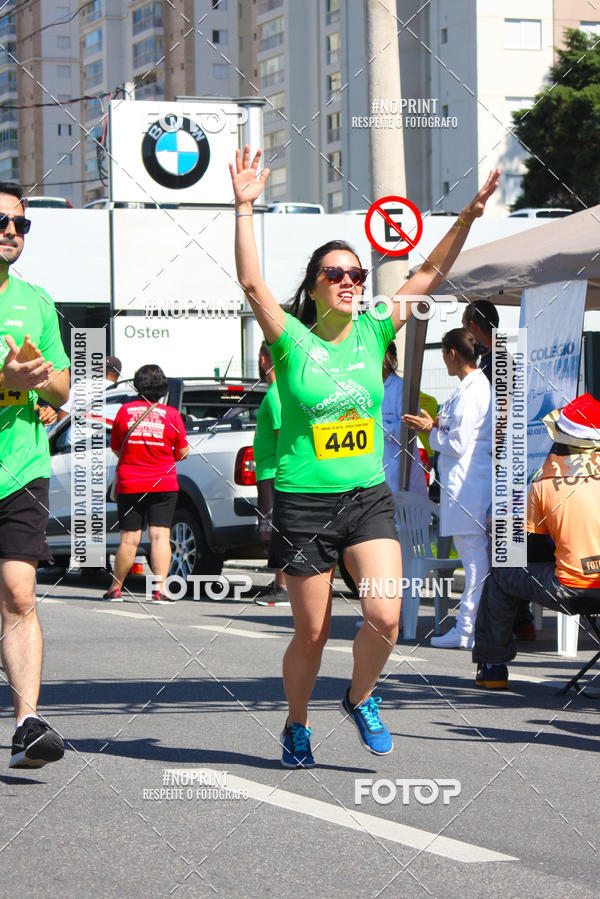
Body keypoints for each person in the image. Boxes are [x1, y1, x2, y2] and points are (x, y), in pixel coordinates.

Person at [230, 144, 499, 766]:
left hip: (366, 496)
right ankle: (297, 725)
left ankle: (360, 697)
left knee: (385, 613)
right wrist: (245, 206)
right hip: (303, 502)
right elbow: (250, 281)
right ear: (316, 287)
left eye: (356, 273)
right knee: (313, 632)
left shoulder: (379, 324)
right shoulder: (292, 340)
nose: (351, 281)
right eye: (337, 275)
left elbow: (428, 272)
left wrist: (469, 216)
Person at [0, 182, 70, 768]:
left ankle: (27, 724)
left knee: (20, 593)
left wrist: (39, 377)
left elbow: (65, 387)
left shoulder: (37, 302)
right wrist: (7, 382)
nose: (11, 233)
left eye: (21, 226)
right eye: (2, 222)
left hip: (21, 466)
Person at [473, 393, 600, 688]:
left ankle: (493, 667)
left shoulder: (545, 481)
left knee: (502, 575)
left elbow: (528, 543)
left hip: (572, 588)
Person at [404, 328, 492, 649]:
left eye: (443, 353)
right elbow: (459, 429)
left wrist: (432, 432)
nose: (442, 360)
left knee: (474, 561)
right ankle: (471, 627)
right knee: (474, 559)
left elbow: (458, 443)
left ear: (453, 353)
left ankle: (467, 628)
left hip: (468, 486)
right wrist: (438, 424)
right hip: (464, 486)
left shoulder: (473, 391)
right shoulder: (469, 388)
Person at [463, 299, 536, 641]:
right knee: (507, 541)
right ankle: (518, 618)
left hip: (506, 465)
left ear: (474, 328)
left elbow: (504, 408)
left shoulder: (499, 359)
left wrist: (497, 446)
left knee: (503, 542)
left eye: (467, 328)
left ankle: (512, 620)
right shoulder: (505, 354)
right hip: (515, 460)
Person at [103, 364, 189, 604]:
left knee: (129, 539)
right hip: (163, 483)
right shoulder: (171, 415)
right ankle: (161, 589)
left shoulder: (124, 411)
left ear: (137, 385)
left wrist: (134, 457)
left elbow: (116, 447)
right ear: (162, 387)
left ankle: (115, 589)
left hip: (130, 484)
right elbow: (182, 452)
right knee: (160, 536)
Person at [253, 342, 288, 606]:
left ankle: (284, 586)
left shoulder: (275, 393)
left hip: (274, 472)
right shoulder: (279, 391)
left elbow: (281, 434)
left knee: (278, 530)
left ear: (266, 360)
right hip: (272, 471)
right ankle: (280, 582)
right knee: (277, 530)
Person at [381, 339, 437, 497]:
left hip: (402, 472)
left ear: (387, 357)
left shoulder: (403, 388)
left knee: (406, 518)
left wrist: (378, 427)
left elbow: (408, 428)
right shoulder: (371, 389)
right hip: (379, 473)